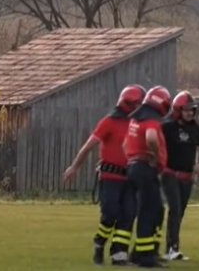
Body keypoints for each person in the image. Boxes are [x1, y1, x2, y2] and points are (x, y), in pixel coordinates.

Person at [62, 84, 145, 266]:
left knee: (129, 214)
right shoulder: (109, 121)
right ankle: (100, 242)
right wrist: (74, 166)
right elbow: (88, 146)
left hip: (130, 177)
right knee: (110, 214)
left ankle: (119, 254)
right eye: (136, 104)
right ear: (127, 104)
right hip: (111, 177)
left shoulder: (138, 123)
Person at [123, 85, 172, 269]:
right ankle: (144, 257)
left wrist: (132, 159)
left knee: (157, 209)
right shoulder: (151, 121)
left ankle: (144, 251)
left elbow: (125, 144)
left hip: (134, 166)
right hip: (145, 168)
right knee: (149, 211)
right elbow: (151, 138)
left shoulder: (136, 119)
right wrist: (156, 157)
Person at [160, 90, 199, 261]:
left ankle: (173, 247)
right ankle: (171, 248)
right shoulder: (167, 126)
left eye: (192, 110)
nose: (190, 113)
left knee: (180, 212)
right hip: (169, 174)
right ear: (177, 109)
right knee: (175, 209)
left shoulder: (195, 129)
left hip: (186, 178)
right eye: (186, 109)